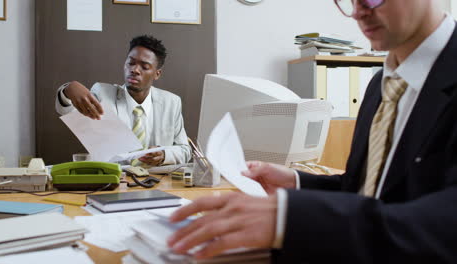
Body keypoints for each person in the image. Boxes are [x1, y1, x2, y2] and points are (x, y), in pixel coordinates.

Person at [167, 0, 457, 262]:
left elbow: (444, 224)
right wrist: (297, 183)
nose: (358, 12)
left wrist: (293, 219)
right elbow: (367, 190)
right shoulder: (379, 85)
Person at [55, 35, 191, 166]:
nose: (135, 70)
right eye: (131, 63)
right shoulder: (102, 93)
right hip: (114, 182)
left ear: (157, 73)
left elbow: (185, 150)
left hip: (156, 181)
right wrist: (67, 90)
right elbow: (70, 111)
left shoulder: (171, 102)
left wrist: (164, 154)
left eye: (144, 66)